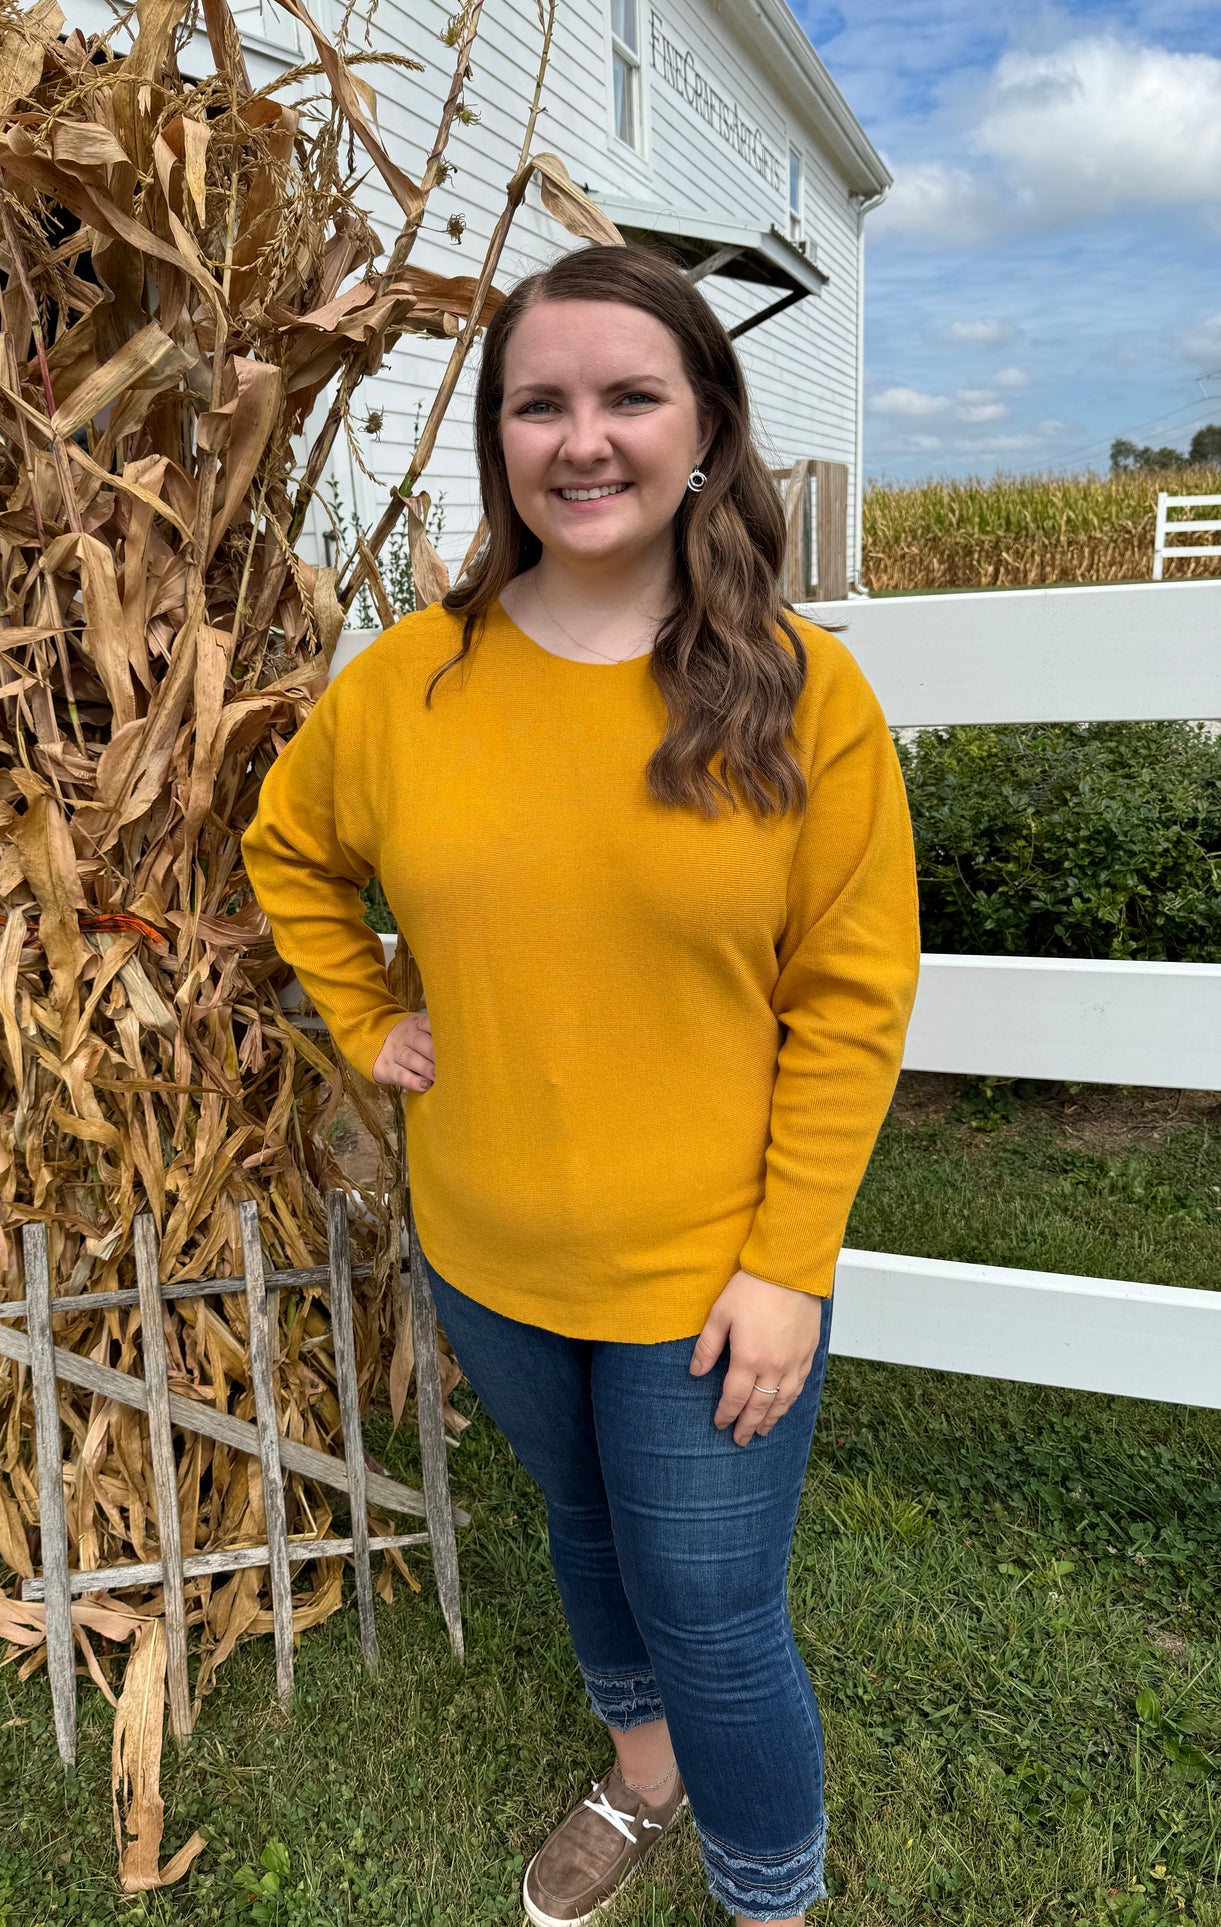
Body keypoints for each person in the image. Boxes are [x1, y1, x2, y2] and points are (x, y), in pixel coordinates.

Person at [243, 243, 920, 1927]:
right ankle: (642, 1775)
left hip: (707, 1275)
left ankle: (769, 1893)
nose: (583, 438)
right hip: (485, 1243)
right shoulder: (410, 683)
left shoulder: (799, 697)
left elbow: (849, 1000)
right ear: (499, 439)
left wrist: (790, 1266)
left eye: (629, 395)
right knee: (582, 1528)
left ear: (705, 427)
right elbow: (291, 850)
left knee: (712, 1608)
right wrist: (360, 1014)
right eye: (539, 402)